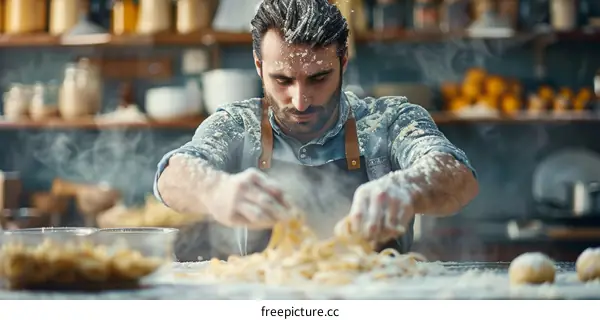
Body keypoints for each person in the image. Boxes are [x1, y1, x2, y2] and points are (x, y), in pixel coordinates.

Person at [154, 0, 479, 261]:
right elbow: (173, 176)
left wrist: (408, 187)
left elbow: (457, 176)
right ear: (258, 66)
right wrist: (214, 190)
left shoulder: (389, 120)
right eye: (282, 80)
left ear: (344, 62)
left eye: (318, 78)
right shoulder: (237, 125)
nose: (300, 101)